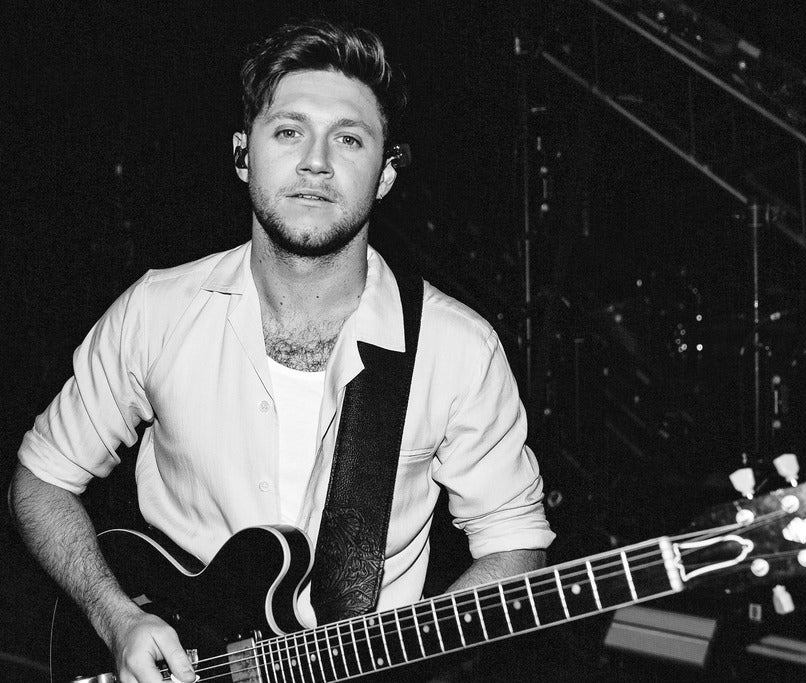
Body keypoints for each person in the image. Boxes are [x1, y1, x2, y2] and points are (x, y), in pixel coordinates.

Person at [10, 18, 554, 683]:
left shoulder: (458, 349)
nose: (316, 162)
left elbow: (514, 542)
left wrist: (414, 657)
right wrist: (115, 616)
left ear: (385, 173)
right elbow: (41, 479)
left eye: (349, 139)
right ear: (244, 155)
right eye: (289, 131)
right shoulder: (157, 312)